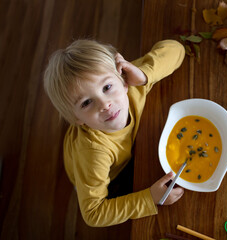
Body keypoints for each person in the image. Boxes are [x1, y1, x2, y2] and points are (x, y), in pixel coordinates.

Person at [43, 39, 185, 227]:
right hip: (96, 172)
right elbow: (93, 214)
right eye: (86, 103)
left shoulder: (135, 85)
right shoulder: (93, 153)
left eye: (107, 87)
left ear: (123, 79)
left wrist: (144, 75)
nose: (105, 104)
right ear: (77, 119)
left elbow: (176, 49)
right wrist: (150, 198)